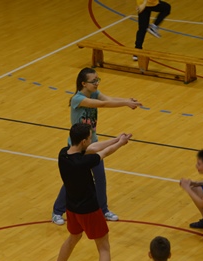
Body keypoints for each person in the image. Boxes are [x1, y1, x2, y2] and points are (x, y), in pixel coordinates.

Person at [50, 123, 132, 261]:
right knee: (104, 248)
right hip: (89, 210)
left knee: (73, 237)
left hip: (72, 208)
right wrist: (120, 144)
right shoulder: (84, 162)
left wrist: (116, 138)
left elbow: (93, 147)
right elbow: (103, 153)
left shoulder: (63, 154)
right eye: (89, 138)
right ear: (83, 141)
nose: (91, 140)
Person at [51, 68, 142, 226]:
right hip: (77, 147)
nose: (97, 83)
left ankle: (103, 210)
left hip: (93, 143)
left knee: (100, 178)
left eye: (98, 80)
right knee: (73, 181)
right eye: (93, 81)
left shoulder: (94, 93)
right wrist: (125, 104)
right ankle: (57, 211)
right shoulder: (78, 99)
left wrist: (127, 100)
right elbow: (104, 104)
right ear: (83, 83)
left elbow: (109, 98)